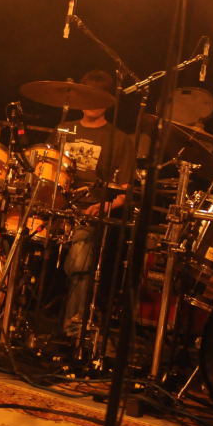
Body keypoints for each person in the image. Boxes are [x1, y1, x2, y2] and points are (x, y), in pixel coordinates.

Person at [59, 70, 136, 337]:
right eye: (88, 96)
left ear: (109, 101)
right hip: (56, 206)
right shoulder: (64, 129)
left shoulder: (120, 139)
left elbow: (125, 192)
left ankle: (73, 326)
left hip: (89, 212)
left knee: (80, 262)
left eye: (99, 97)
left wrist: (103, 207)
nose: (92, 102)